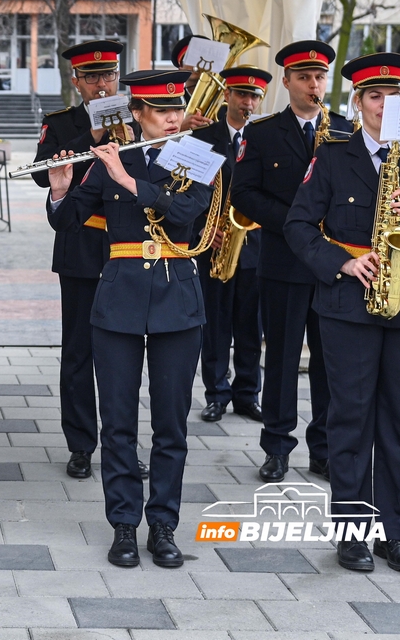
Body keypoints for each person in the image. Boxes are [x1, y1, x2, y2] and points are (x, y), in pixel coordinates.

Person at [286, 52, 400, 573]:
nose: (384, 106)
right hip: (349, 304)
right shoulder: (333, 153)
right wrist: (342, 262)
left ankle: (394, 534)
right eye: (373, 96)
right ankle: (352, 534)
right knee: (349, 420)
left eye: (394, 96)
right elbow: (298, 226)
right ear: (358, 101)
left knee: (399, 424)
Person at [48, 69, 213, 569]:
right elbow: (68, 220)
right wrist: (59, 189)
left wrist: (128, 181)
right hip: (118, 297)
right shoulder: (110, 159)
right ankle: (123, 523)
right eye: (161, 110)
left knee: (171, 423)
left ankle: (163, 524)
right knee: (117, 422)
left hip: (176, 296)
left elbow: (186, 213)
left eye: (176, 107)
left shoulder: (196, 155)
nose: (172, 117)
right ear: (137, 114)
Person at [231, 39, 353, 484]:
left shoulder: (345, 129)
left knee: (330, 361)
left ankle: (322, 448)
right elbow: (243, 193)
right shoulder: (261, 133)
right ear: (286, 82)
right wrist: (297, 225)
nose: (313, 84)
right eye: (304, 77)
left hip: (335, 265)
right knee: (280, 359)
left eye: (319, 77)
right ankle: (277, 447)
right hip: (283, 261)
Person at [30, 39, 122, 481]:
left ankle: (123, 444)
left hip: (131, 247)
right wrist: (94, 137)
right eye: (93, 77)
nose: (103, 85)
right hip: (82, 247)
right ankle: (82, 444)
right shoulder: (61, 123)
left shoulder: (141, 116)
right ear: (76, 82)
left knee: (125, 355)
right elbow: (37, 173)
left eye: (109, 75)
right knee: (80, 351)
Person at [192, 67, 268, 422]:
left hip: (254, 246)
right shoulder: (202, 138)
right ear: (227, 96)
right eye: (241, 94)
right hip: (214, 244)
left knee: (250, 327)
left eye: (254, 96)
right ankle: (216, 393)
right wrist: (207, 233)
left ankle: (247, 393)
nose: (248, 102)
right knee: (216, 324)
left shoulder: (266, 138)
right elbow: (188, 193)